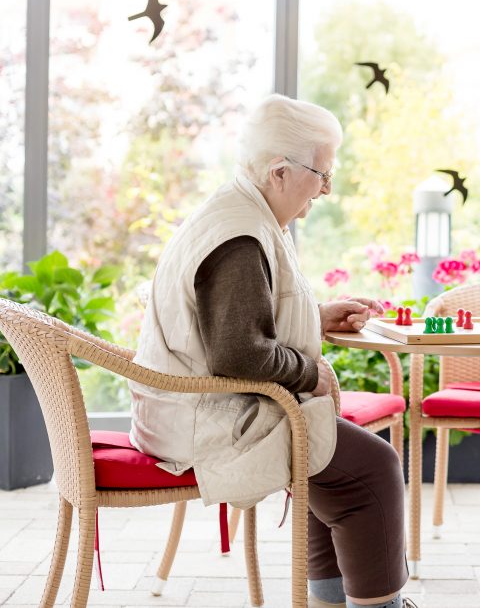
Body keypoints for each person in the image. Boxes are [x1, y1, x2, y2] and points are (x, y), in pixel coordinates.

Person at [132, 94, 413, 608]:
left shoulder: (240, 210)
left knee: (333, 464)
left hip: (188, 410)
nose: (327, 189)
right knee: (373, 468)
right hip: (206, 423)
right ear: (281, 172)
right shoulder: (239, 237)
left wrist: (314, 316)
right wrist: (312, 373)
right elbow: (239, 355)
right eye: (322, 175)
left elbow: (237, 323)